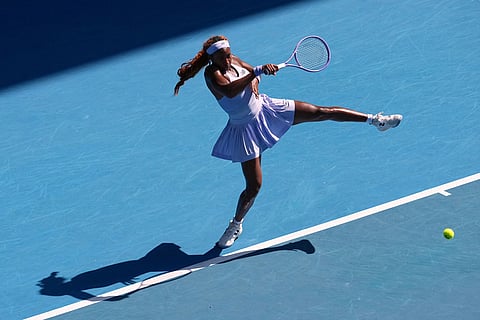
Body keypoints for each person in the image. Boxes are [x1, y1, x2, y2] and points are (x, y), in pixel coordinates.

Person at [174, 35, 402, 249]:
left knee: (320, 111)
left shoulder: (233, 60)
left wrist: (256, 79)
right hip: (244, 129)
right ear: (212, 58)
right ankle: (236, 224)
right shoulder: (211, 75)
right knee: (254, 186)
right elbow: (230, 90)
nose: (227, 58)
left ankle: (376, 121)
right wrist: (255, 73)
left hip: (267, 110)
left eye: (229, 53)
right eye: (223, 55)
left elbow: (253, 76)